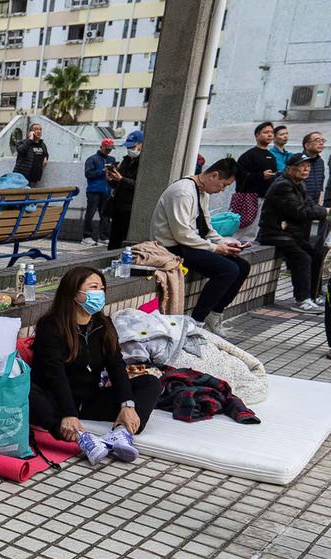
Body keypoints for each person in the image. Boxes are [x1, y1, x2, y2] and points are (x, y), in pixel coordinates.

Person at [29, 267, 161, 465]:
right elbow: (55, 374)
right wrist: (69, 414)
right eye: (93, 287)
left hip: (90, 398)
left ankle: (120, 434)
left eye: (101, 288)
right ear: (74, 292)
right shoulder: (51, 326)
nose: (99, 293)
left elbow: (116, 365)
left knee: (150, 382)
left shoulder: (103, 324)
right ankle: (80, 437)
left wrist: (127, 404)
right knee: (27, 391)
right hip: (56, 400)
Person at [150, 157, 250, 335]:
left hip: (190, 244)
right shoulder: (183, 192)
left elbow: (207, 228)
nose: (222, 190)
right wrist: (215, 248)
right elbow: (181, 234)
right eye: (223, 185)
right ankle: (196, 323)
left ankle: (215, 314)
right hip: (171, 247)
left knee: (242, 266)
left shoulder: (202, 192)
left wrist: (224, 242)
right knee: (228, 270)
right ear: (214, 175)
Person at [258, 153, 328, 313]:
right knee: (302, 258)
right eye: (302, 166)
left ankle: (313, 296)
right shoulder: (283, 185)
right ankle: (301, 300)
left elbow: (310, 205)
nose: (306, 169)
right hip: (275, 233)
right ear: (289, 169)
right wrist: (325, 212)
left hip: (290, 234)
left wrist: (323, 211)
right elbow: (299, 211)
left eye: (308, 166)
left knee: (316, 255)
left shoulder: (299, 184)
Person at [230, 122, 278, 237]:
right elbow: (240, 176)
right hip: (248, 197)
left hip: (265, 196)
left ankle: (248, 244)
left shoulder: (271, 156)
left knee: (255, 229)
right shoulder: (248, 155)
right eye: (266, 132)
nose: (269, 135)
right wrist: (261, 176)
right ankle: (235, 244)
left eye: (271, 132)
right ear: (257, 135)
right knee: (243, 226)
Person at [106, 130, 143, 250]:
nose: (129, 149)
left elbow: (140, 185)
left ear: (141, 145)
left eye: (132, 146)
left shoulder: (144, 163)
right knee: (114, 240)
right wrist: (111, 178)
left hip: (130, 207)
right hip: (118, 205)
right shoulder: (126, 160)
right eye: (128, 147)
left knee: (125, 240)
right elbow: (117, 183)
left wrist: (121, 179)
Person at [82, 138, 118, 246]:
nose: (108, 151)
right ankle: (86, 236)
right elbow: (88, 174)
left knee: (105, 215)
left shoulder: (111, 159)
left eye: (110, 149)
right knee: (90, 213)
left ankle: (103, 236)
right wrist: (102, 171)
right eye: (107, 149)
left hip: (107, 190)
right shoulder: (92, 159)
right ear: (101, 147)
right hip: (94, 190)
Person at [301, 132, 326, 245]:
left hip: (313, 204)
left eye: (322, 141)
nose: (321, 143)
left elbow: (321, 182)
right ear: (306, 145)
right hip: (300, 204)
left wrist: (319, 201)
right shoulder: (299, 161)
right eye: (317, 140)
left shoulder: (320, 162)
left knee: (306, 235)